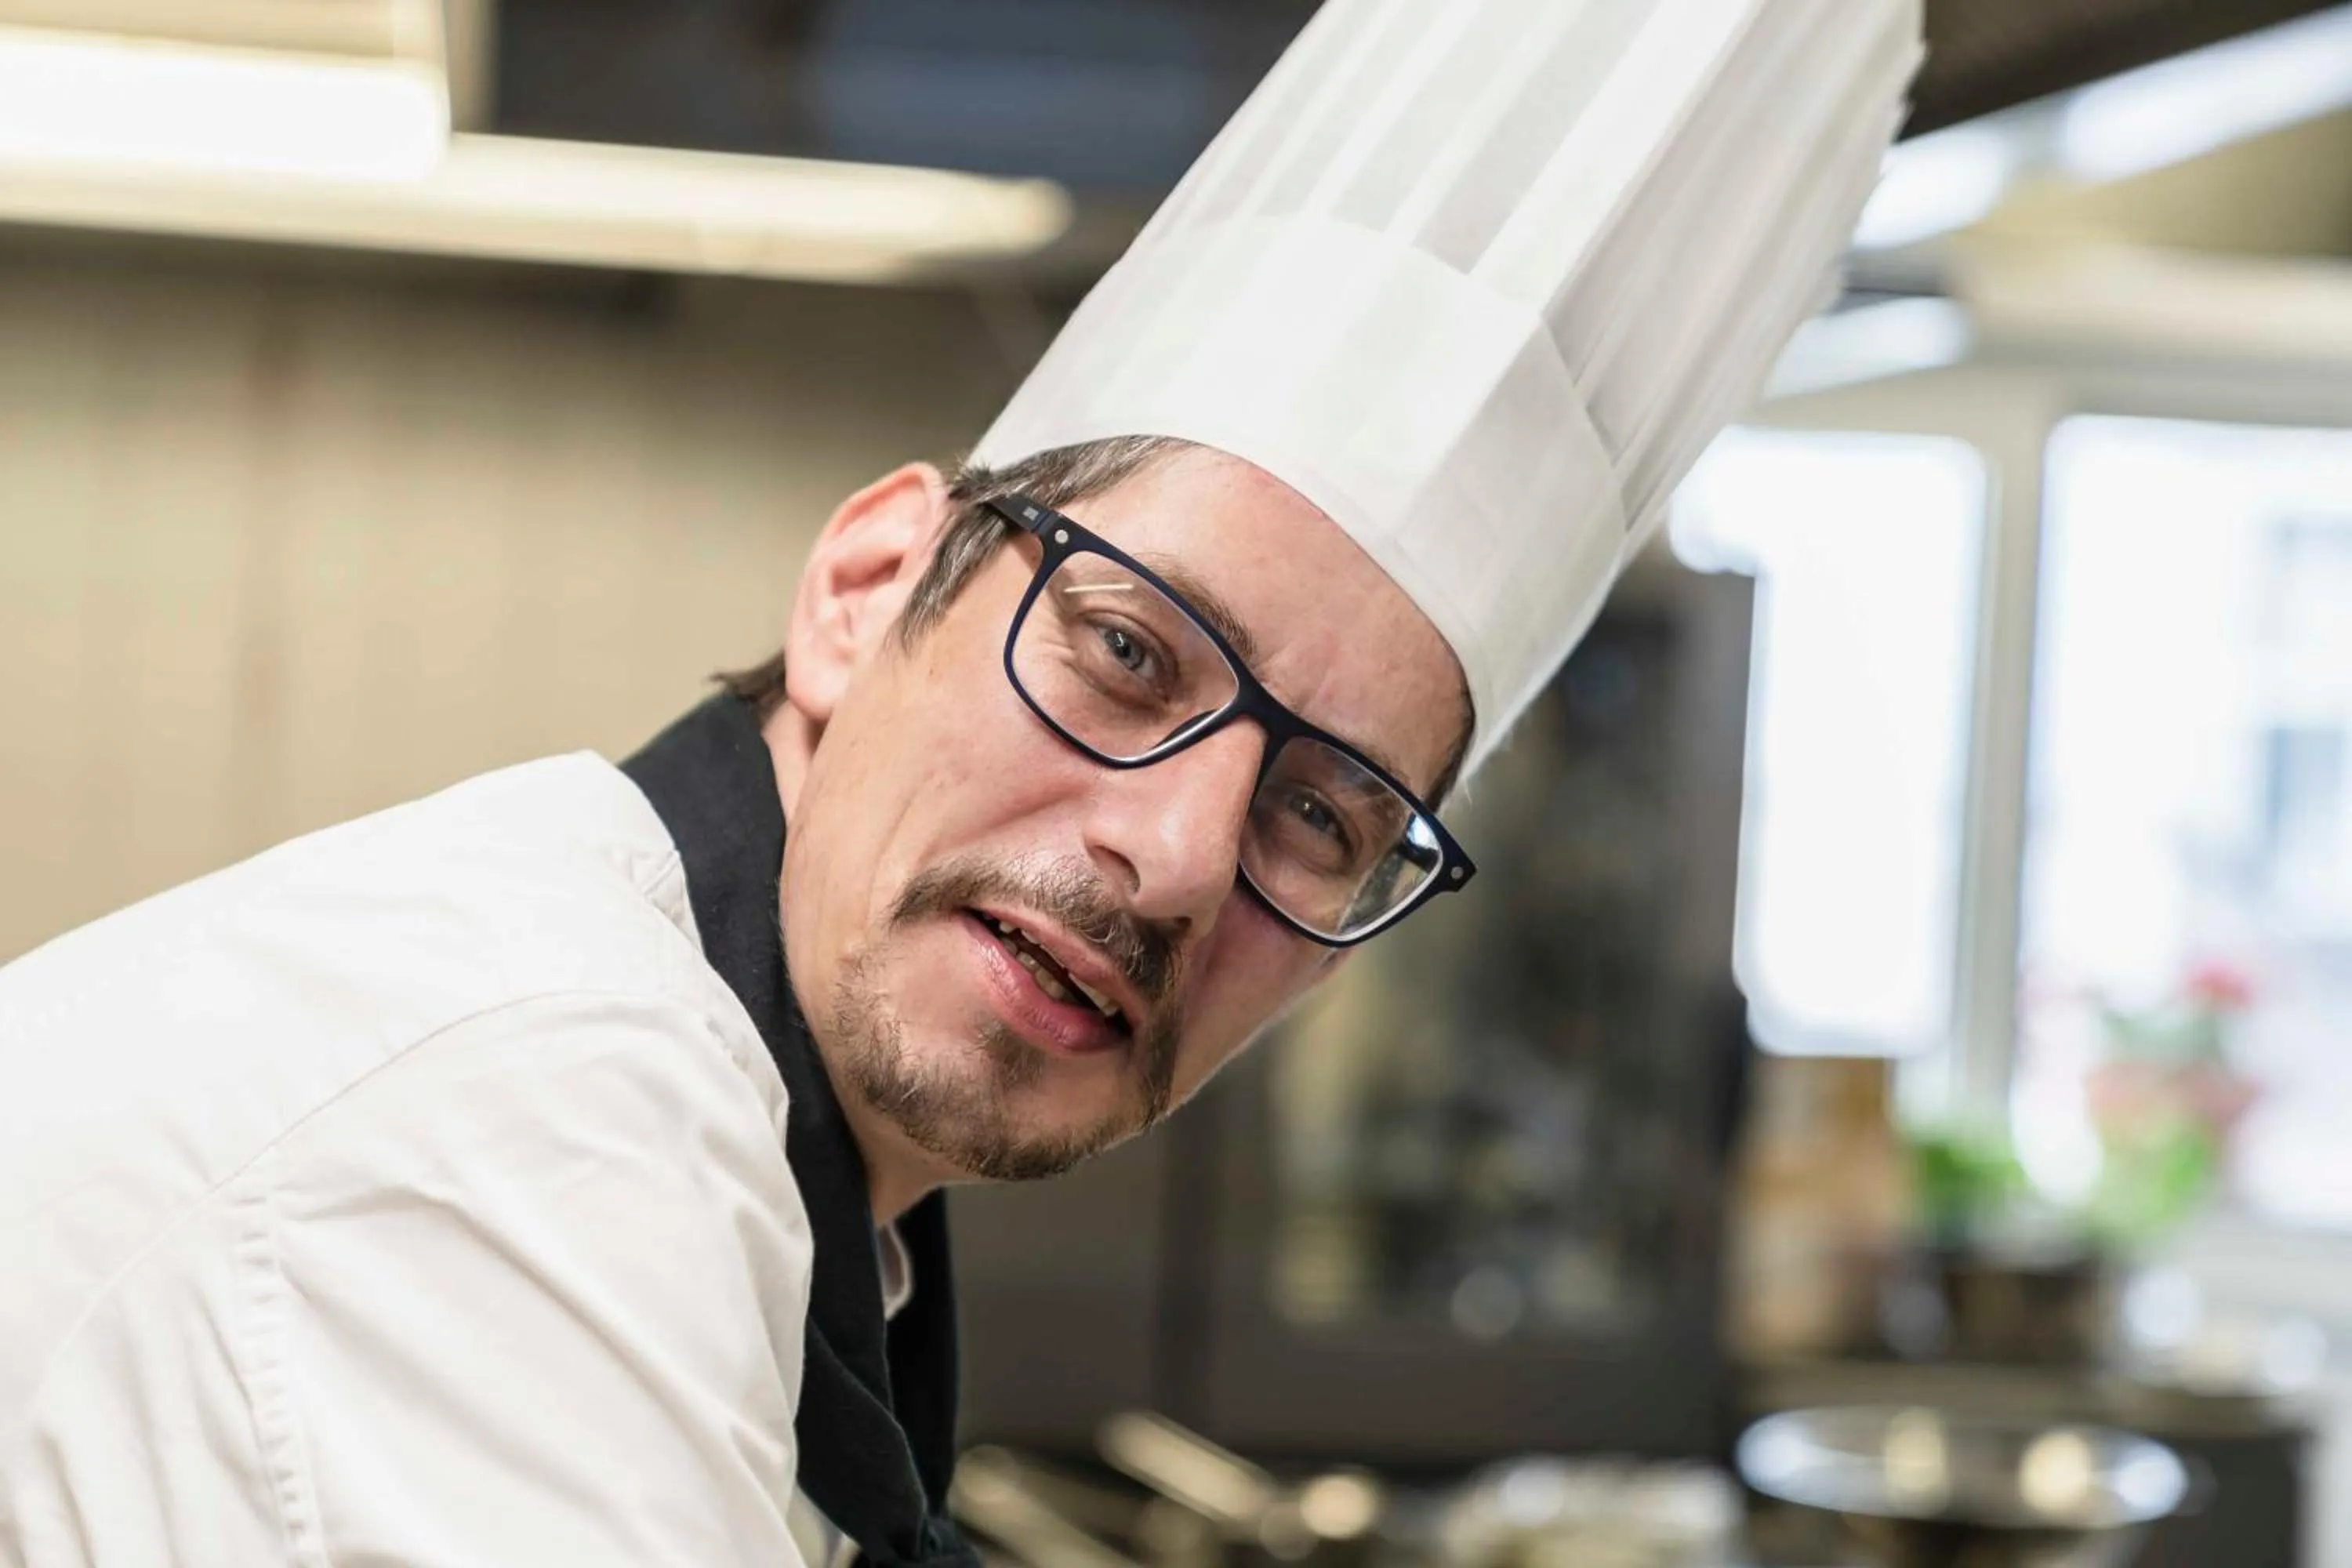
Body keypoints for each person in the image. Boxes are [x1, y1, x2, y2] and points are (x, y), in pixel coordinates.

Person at [0, 0, 1921, 1563]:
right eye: (1129, 651)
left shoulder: (801, 1197)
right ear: (862, 590)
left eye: (1320, 815)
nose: (1175, 856)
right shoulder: (542, 1123)